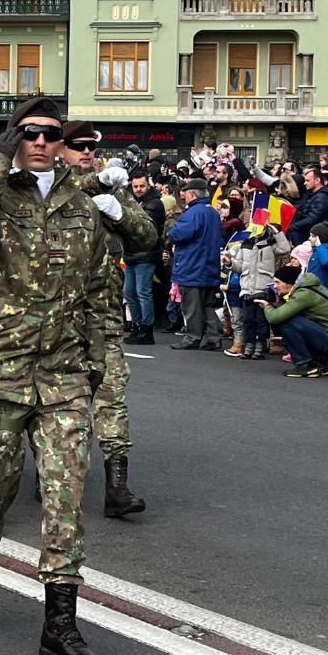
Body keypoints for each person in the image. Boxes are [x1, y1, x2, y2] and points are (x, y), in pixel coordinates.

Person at [0, 98, 113, 655]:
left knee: (65, 497)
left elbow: (94, 287)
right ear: (14, 136)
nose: (42, 142)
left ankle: (59, 626)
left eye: (52, 134)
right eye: (30, 132)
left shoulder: (81, 206)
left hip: (62, 373)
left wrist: (95, 364)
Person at [60, 119, 155, 517]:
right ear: (60, 149)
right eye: (77, 146)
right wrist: (94, 185)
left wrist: (120, 213)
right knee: (59, 402)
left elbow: (148, 236)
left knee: (112, 398)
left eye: (90, 147)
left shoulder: (112, 187)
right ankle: (53, 474)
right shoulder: (49, 183)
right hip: (57, 317)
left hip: (102, 314)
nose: (86, 152)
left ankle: (117, 487)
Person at [260, 266, 328, 378]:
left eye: (277, 282)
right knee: (287, 339)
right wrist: (276, 305)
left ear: (289, 283)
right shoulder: (310, 288)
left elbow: (275, 317)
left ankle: (305, 364)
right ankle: (327, 360)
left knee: (287, 322)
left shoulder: (304, 294)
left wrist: (266, 306)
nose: (274, 287)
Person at [168, 178, 223, 350]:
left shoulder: (193, 213)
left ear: (192, 193)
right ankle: (214, 338)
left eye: (185, 193)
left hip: (192, 265)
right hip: (209, 265)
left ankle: (193, 337)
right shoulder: (212, 212)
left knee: (191, 306)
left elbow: (177, 234)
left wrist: (171, 232)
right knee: (208, 305)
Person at [225, 224, 290, 358]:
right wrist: (229, 263)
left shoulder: (270, 244)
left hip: (263, 287)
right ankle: (249, 344)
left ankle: (260, 344)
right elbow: (240, 266)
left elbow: (285, 248)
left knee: (261, 319)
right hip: (247, 288)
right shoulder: (245, 244)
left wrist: (277, 232)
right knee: (248, 319)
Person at [123, 169, 165, 345]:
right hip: (131, 254)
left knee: (142, 292)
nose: (138, 189)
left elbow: (139, 227)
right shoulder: (133, 201)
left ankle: (146, 329)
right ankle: (138, 325)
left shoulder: (155, 204)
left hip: (146, 254)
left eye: (142, 186)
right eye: (135, 186)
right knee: (129, 292)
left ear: (148, 185)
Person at [287, 167, 328, 246]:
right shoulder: (313, 195)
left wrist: (290, 227)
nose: (304, 183)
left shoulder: (322, 197)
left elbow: (311, 219)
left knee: (293, 233)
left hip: (316, 234)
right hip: (309, 231)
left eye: (307, 180)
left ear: (317, 181)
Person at [306, 221, 328, 292]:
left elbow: (326, 261)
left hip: (322, 288)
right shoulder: (316, 250)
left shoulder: (326, 249)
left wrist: (319, 246)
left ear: (321, 238)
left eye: (312, 236)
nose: (309, 238)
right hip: (313, 287)